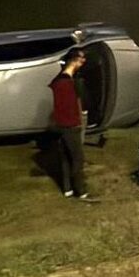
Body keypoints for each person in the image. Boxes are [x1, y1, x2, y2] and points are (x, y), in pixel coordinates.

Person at [48, 48, 90, 200]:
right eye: (81, 58)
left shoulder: (59, 80)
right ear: (74, 60)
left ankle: (68, 189)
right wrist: (77, 123)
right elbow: (68, 106)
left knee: (66, 158)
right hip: (70, 125)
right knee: (77, 158)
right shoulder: (66, 83)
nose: (83, 61)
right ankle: (81, 190)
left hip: (61, 125)